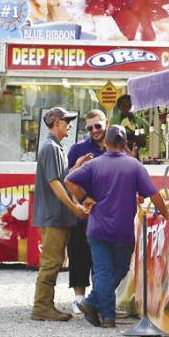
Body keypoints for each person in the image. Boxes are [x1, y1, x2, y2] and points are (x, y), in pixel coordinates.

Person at [66, 124, 169, 328]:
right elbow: (154, 194)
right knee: (119, 269)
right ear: (125, 143)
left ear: (105, 142)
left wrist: (84, 198)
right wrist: (166, 214)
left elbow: (69, 180)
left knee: (103, 272)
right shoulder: (134, 165)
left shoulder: (94, 164)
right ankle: (107, 316)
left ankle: (93, 304)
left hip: (97, 229)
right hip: (123, 231)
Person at [30, 106, 89, 322]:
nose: (70, 125)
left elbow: (61, 178)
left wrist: (75, 167)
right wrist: (74, 207)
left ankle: (45, 305)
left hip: (55, 216)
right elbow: (55, 183)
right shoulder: (51, 148)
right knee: (51, 262)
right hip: (53, 216)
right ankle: (42, 307)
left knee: (54, 261)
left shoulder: (55, 148)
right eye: (67, 121)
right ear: (56, 123)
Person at [65, 109, 108, 312]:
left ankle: (99, 298)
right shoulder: (78, 149)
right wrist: (78, 166)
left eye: (98, 126)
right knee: (79, 254)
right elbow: (66, 179)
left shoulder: (116, 146)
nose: (94, 130)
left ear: (106, 123)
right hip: (82, 213)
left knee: (104, 259)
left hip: (107, 213)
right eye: (90, 128)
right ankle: (79, 299)